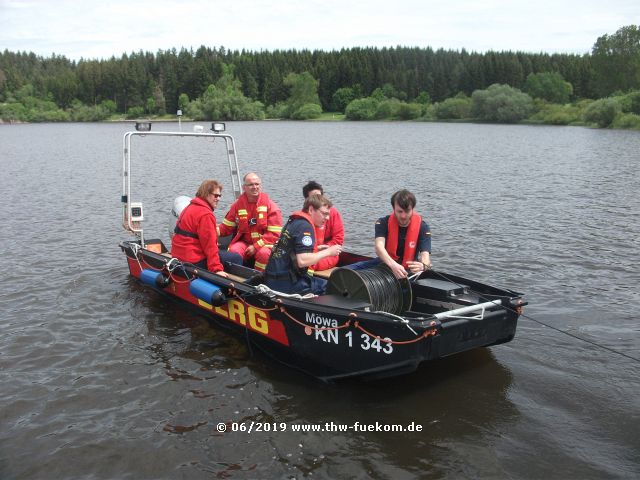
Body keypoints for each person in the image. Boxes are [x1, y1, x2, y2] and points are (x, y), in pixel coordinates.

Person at [265, 195, 342, 295]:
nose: (327, 218)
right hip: (285, 283)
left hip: (273, 278)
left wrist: (316, 249)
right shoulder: (305, 227)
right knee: (331, 287)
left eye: (328, 214)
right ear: (311, 210)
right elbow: (302, 261)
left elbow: (291, 248)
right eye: (324, 213)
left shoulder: (295, 222)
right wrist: (328, 252)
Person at [347, 189, 432, 279]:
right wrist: (393, 265)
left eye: (407, 211)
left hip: (409, 269)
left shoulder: (423, 227)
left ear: (412, 209)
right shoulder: (383, 222)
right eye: (400, 211)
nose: (403, 216)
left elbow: (425, 258)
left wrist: (423, 266)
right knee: (343, 271)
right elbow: (379, 247)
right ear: (393, 209)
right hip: (385, 263)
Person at [171, 180, 243, 276]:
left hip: (178, 257)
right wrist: (216, 269)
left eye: (220, 196)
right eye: (216, 196)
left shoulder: (189, 207)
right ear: (206, 194)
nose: (218, 199)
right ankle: (234, 288)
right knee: (236, 258)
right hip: (193, 261)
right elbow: (210, 246)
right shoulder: (206, 214)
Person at [218, 172, 283, 272]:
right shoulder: (237, 205)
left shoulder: (271, 207)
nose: (254, 187)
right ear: (244, 187)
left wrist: (256, 246)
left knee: (263, 254)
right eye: (251, 184)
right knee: (234, 250)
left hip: (265, 244)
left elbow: (273, 235)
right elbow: (226, 227)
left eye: (257, 184)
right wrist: (211, 231)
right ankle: (236, 278)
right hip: (245, 242)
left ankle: (258, 280)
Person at [302, 180, 345, 271]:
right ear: (307, 200)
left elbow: (338, 239)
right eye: (314, 197)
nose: (327, 217)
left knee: (313, 263)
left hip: (328, 253)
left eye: (320, 196)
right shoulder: (302, 218)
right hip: (308, 253)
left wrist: (326, 249)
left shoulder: (333, 213)